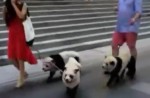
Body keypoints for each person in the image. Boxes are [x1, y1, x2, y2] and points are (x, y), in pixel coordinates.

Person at [2, 0, 37, 88]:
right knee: (11, 58)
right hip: (12, 33)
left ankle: (21, 78)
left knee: (20, 56)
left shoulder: (23, 5)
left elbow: (21, 16)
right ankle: (23, 73)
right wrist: (6, 9)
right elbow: (6, 21)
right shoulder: (6, 7)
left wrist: (13, 4)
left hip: (21, 33)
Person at [112, 0, 142, 79]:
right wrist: (117, 8)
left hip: (130, 26)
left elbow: (139, 12)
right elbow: (122, 8)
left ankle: (132, 67)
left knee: (131, 46)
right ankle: (115, 66)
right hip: (120, 26)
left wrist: (134, 19)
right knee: (114, 45)